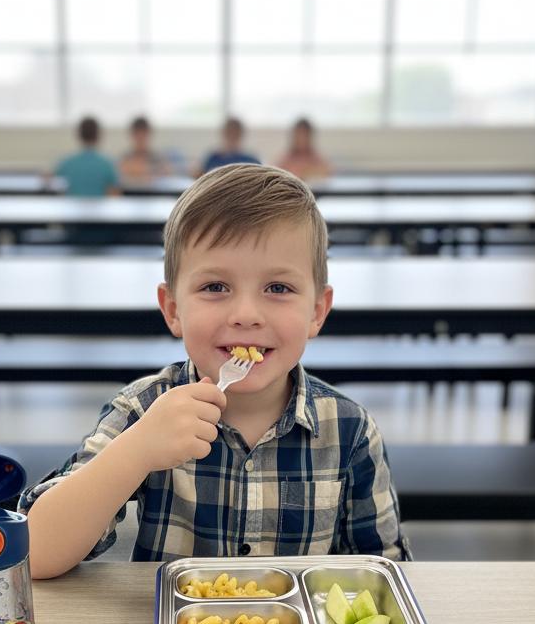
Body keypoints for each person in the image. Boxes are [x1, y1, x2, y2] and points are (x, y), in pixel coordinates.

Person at [20, 163, 410, 577]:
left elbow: (386, 573)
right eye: (215, 287)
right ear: (173, 309)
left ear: (317, 311)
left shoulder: (348, 431)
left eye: (278, 288)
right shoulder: (145, 409)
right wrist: (136, 451)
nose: (245, 315)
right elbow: (35, 555)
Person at [51, 117, 119, 197]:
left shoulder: (65, 163)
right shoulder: (107, 164)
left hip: (71, 208)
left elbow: (57, 191)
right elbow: (114, 194)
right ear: (98, 135)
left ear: (79, 135)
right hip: (99, 209)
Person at [275, 118, 332, 182]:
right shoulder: (287, 157)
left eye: (305, 134)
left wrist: (307, 172)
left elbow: (327, 171)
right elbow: (276, 172)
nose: (302, 138)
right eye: (299, 134)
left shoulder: (315, 156)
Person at [119, 116, 170, 182]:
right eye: (138, 136)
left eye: (143, 136)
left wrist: (144, 170)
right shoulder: (126, 158)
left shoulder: (157, 157)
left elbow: (167, 172)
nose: (141, 140)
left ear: (149, 135)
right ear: (132, 135)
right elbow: (119, 174)